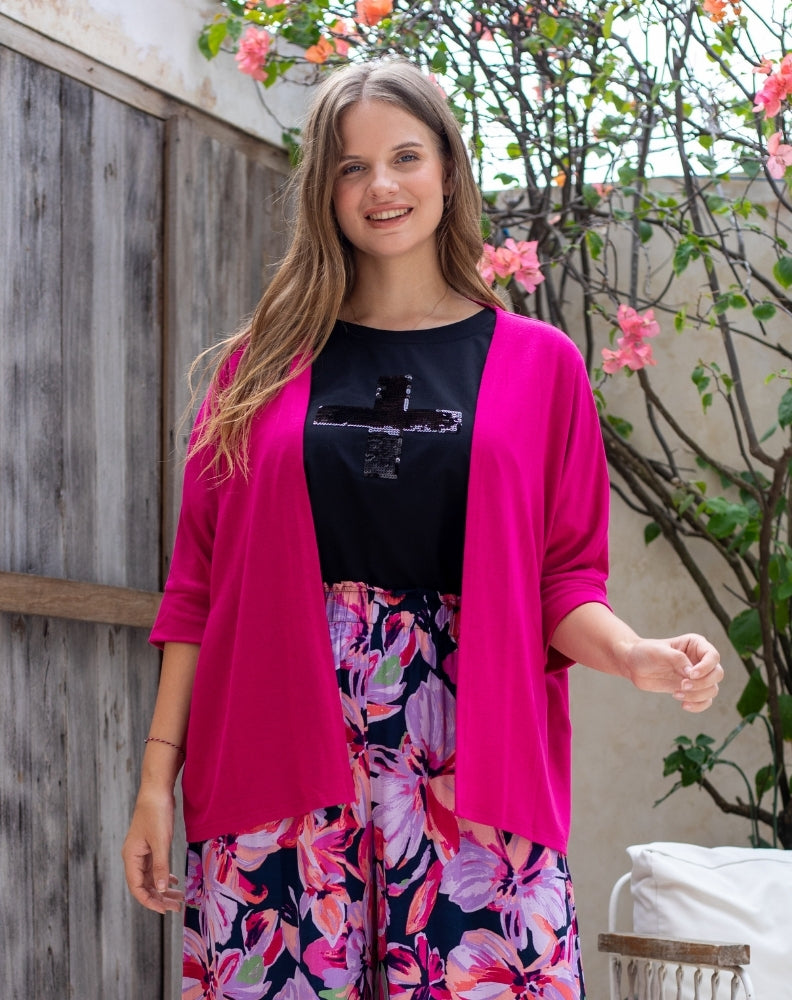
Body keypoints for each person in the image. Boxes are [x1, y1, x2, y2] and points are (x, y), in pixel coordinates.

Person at [122, 59, 723, 1000]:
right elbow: (196, 587)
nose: (382, 187)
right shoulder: (257, 369)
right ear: (325, 190)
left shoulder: (542, 367)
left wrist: (634, 655)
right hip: (277, 746)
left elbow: (564, 580)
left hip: (474, 760)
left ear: (447, 168)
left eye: (405, 157)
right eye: (352, 166)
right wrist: (157, 779)